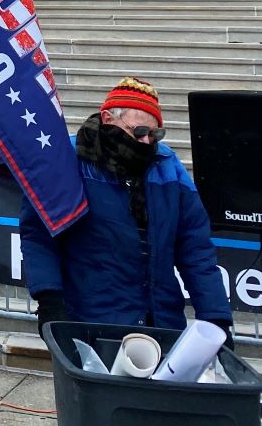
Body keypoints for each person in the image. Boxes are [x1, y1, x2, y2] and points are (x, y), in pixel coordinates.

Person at [19, 76, 232, 339]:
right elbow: (39, 235)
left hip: (161, 323)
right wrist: (50, 302)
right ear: (109, 119)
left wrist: (216, 318)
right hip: (91, 322)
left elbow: (195, 249)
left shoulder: (168, 165)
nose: (146, 142)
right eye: (139, 132)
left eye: (155, 134)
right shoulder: (68, 158)